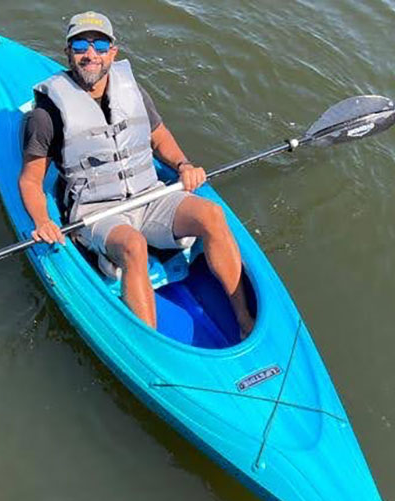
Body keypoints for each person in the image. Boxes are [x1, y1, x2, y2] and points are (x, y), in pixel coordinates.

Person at [18, 11, 254, 338]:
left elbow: (159, 137)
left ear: (113, 52)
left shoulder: (132, 91)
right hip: (96, 214)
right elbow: (30, 180)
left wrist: (184, 165)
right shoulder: (45, 116)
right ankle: (153, 344)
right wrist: (42, 221)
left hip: (150, 196)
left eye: (100, 45)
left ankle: (244, 321)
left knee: (212, 215)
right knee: (133, 244)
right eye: (80, 46)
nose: (91, 54)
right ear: (68, 52)